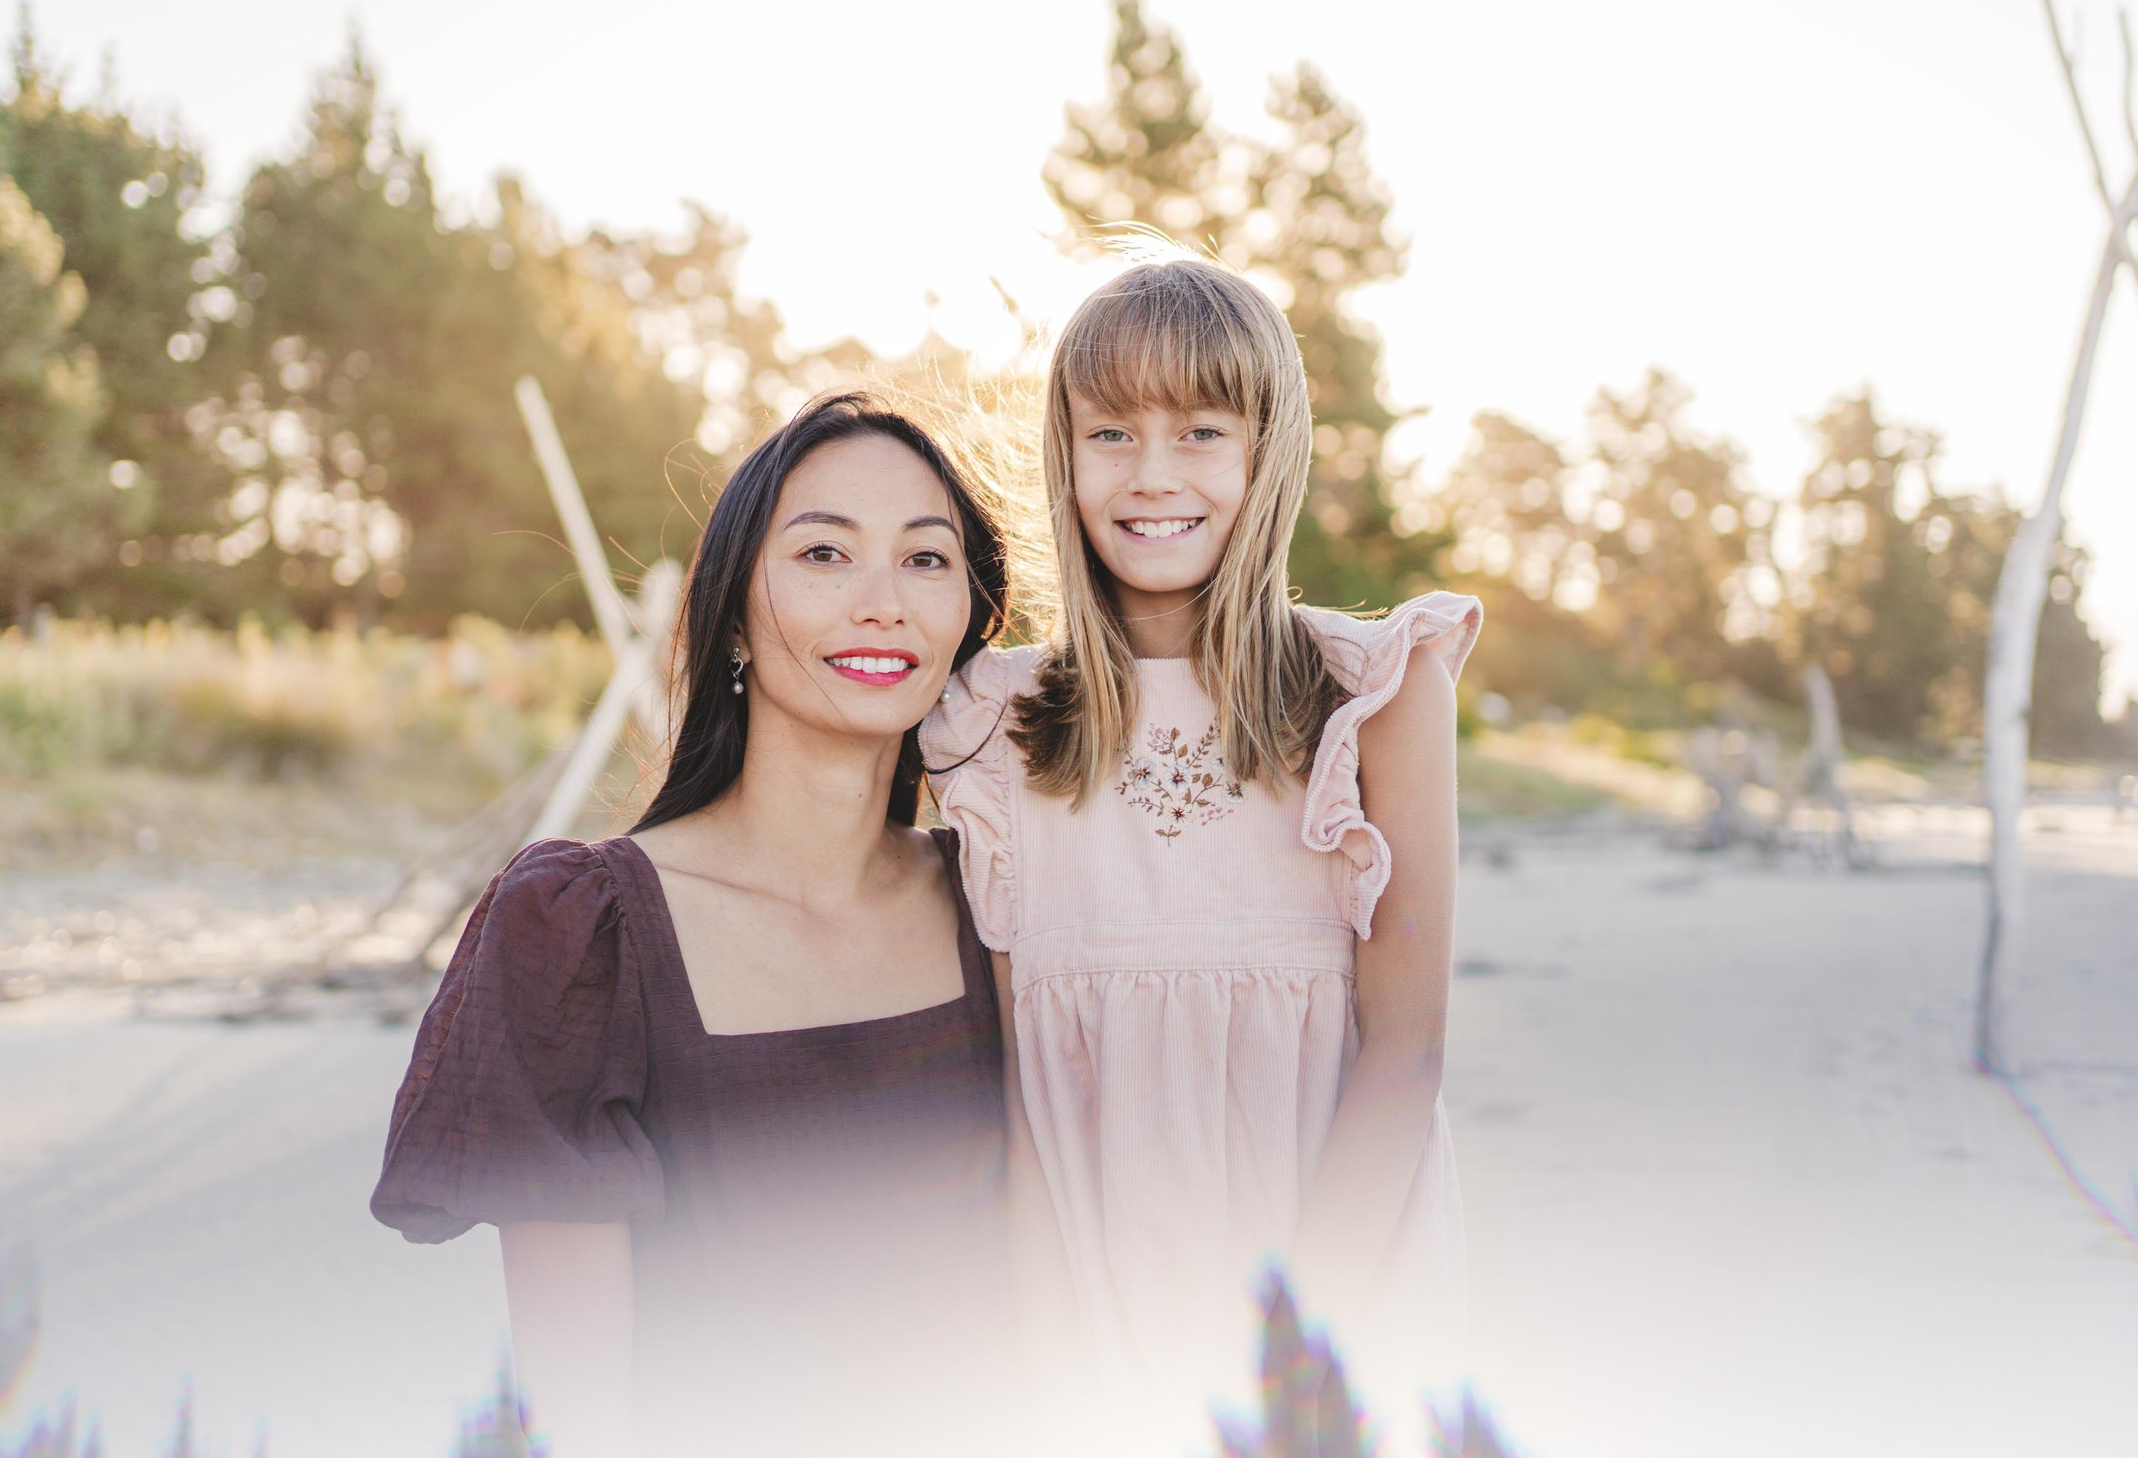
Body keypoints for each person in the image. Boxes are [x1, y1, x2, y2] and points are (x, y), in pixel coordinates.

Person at [372, 393, 1014, 1458]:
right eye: (822, 552)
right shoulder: (583, 930)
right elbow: (578, 1415)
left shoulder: (1001, 902)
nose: (882, 602)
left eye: (926, 559)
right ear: (728, 618)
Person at [921, 255, 1481, 1445]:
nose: (1154, 473)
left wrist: (1286, 1363)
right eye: (1110, 430)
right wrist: (1041, 1364)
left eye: (1202, 429)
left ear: (1265, 449)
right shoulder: (989, 723)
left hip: (1336, 1298)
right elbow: (1024, 1097)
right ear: (1063, 459)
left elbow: (1406, 1052)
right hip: (1094, 1307)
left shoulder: (1377, 693)